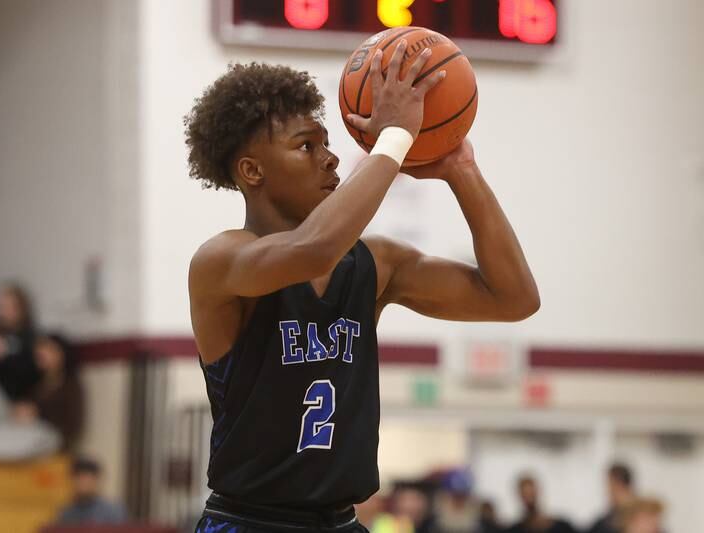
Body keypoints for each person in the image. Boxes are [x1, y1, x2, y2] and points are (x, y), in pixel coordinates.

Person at [186, 40, 539, 532]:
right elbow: (313, 249)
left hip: (342, 522)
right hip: (249, 522)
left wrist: (462, 169)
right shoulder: (222, 260)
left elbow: (514, 298)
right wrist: (394, 138)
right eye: (306, 146)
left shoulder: (376, 263)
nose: (331, 159)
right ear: (252, 170)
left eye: (327, 143)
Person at [54, 456, 128, 525]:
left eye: (88, 478)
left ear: (96, 480)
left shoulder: (112, 511)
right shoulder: (66, 513)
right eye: (79, 478)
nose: (84, 483)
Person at [507, 475, 577, 533]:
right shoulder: (515, 530)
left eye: (531, 494)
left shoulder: (562, 527)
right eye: (525, 495)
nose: (529, 499)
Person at [588, 463, 636, 533]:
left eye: (609, 485)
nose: (608, 492)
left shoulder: (637, 518)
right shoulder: (608, 518)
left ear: (617, 485)